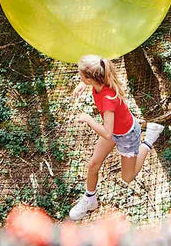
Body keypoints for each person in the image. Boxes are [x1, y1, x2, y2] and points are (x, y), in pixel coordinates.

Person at [68, 55, 165, 220]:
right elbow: (109, 132)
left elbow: (107, 133)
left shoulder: (107, 99)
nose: (79, 77)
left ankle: (148, 140)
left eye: (81, 75)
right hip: (114, 130)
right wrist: (83, 84)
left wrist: (89, 119)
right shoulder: (100, 81)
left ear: (90, 79)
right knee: (93, 165)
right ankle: (90, 199)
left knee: (127, 177)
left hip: (127, 136)